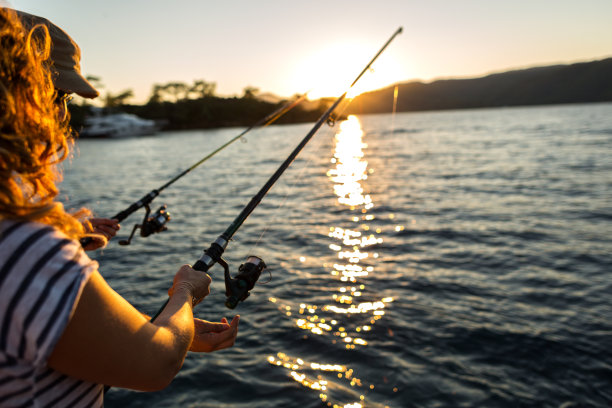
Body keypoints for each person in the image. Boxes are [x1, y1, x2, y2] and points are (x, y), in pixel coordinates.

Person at [0, 8, 239, 407]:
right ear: (17, 96)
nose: (62, 115)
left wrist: (161, 327)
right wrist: (183, 296)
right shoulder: (22, 249)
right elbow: (155, 364)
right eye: (58, 96)